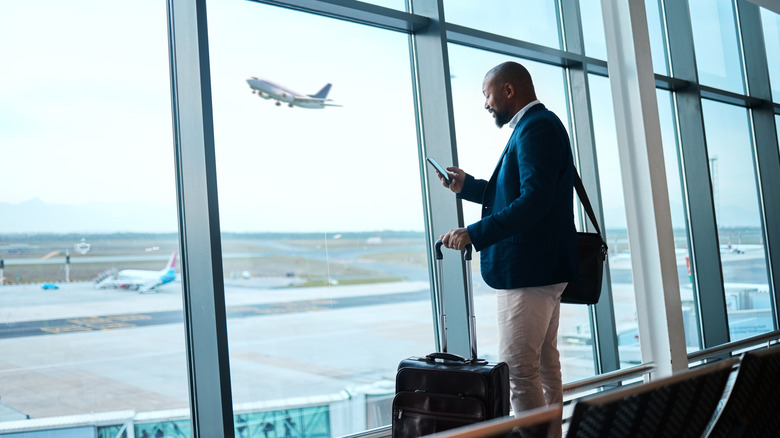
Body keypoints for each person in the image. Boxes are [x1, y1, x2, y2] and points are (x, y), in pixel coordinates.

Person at [437, 61, 578, 437]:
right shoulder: (538, 127)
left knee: (518, 369)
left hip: (529, 270)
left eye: (487, 93)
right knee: (545, 365)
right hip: (542, 268)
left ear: (509, 91)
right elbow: (511, 196)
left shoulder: (536, 129)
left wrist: (474, 233)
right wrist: (466, 187)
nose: (485, 103)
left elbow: (534, 203)